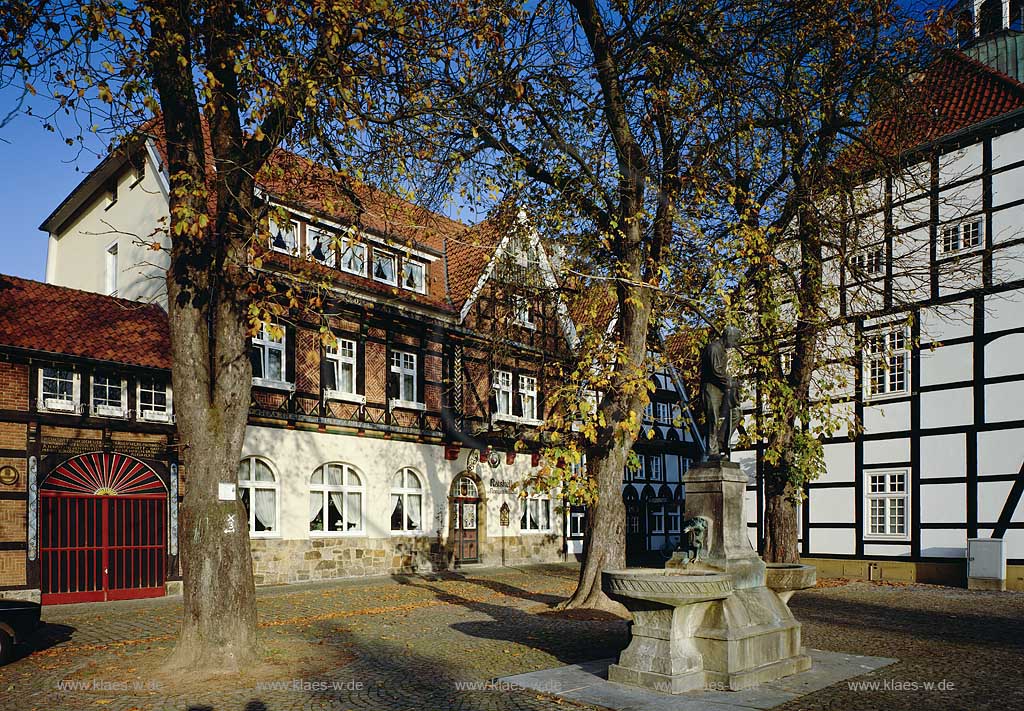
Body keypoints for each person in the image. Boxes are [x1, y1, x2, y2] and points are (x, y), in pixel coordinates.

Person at [700, 325, 741, 458]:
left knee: (736, 413)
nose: (734, 345)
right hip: (710, 388)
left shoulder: (722, 351)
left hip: (721, 388)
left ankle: (720, 442)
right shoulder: (713, 348)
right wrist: (730, 382)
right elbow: (716, 372)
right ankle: (712, 451)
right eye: (735, 341)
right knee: (713, 418)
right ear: (729, 337)